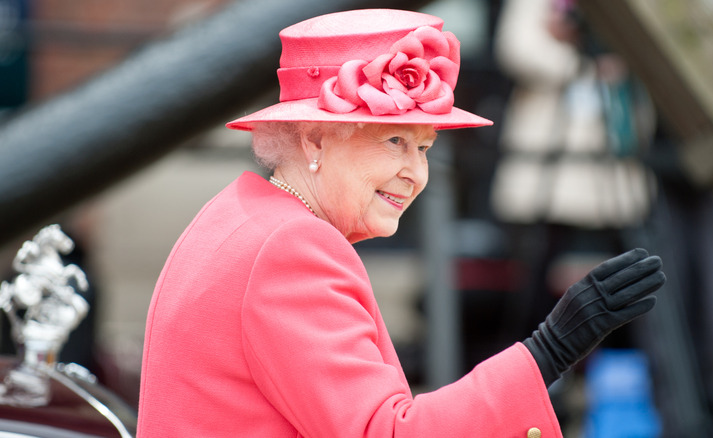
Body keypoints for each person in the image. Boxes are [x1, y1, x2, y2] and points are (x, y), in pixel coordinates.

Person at [137, 9, 665, 437]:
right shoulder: (291, 247)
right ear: (315, 139)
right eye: (394, 141)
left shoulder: (243, 214)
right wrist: (548, 350)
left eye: (425, 146)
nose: (415, 174)